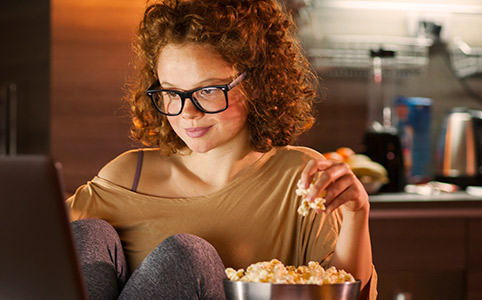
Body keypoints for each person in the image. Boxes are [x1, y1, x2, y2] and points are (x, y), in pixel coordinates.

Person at [66, 0, 378, 299]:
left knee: (188, 256)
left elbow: (344, 291)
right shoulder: (126, 176)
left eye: (208, 90)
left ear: (255, 84)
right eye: (171, 93)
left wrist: (356, 213)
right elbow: (32, 239)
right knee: (87, 235)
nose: (188, 112)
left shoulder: (302, 179)